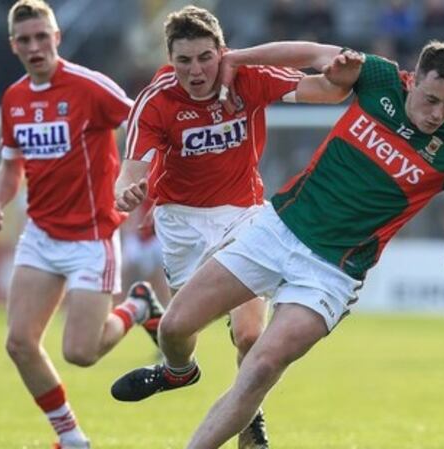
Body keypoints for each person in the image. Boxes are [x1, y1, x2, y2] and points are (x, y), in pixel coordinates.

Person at [112, 40, 444, 449]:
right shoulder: (381, 79)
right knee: (175, 325)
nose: (437, 114)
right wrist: (237, 57)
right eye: (430, 99)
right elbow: (311, 52)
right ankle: (179, 371)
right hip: (277, 230)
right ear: (414, 79)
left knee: (260, 364)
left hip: (331, 273)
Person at [111, 6, 356, 448]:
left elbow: (329, 93)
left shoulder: (245, 78)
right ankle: (179, 372)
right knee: (179, 331)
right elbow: (131, 170)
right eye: (183, 61)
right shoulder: (158, 98)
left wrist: (337, 68)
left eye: (205, 57)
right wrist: (124, 191)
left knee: (248, 333)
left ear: (221, 52)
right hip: (182, 223)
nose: (196, 70)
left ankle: (251, 423)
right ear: (171, 59)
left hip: (245, 215)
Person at [0, 2, 163, 448]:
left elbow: (146, 123)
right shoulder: (14, 99)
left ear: (57, 38)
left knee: (80, 352)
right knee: (19, 343)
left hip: (91, 237)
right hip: (41, 236)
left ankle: (138, 304)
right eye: (25, 40)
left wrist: (140, 180)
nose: (35, 46)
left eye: (42, 36)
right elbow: (10, 165)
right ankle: (72, 439)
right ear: (14, 46)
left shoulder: (90, 88)